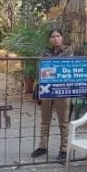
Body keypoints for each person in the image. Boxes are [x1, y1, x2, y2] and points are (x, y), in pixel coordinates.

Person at [30, 28, 73, 161]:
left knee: (64, 121)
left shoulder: (68, 51)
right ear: (50, 39)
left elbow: (66, 67)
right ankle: (42, 146)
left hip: (62, 89)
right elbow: (42, 69)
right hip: (47, 88)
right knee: (45, 120)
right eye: (53, 37)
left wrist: (52, 69)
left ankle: (64, 149)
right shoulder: (45, 52)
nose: (56, 39)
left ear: (62, 38)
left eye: (58, 36)